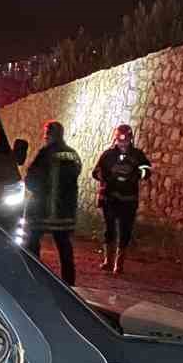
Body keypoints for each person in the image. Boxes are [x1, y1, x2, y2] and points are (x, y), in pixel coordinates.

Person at [23, 119, 83, 286]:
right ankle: (69, 284)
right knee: (64, 247)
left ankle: (33, 277)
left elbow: (31, 177)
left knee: (32, 243)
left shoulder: (45, 154)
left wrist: (37, 192)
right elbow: (76, 173)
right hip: (64, 211)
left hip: (43, 210)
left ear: (49, 135)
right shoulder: (72, 154)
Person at [91, 123, 152, 274]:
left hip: (129, 199)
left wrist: (136, 175)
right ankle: (108, 260)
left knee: (125, 230)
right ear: (116, 139)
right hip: (110, 198)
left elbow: (147, 170)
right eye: (120, 140)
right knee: (109, 229)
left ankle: (119, 264)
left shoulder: (138, 155)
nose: (123, 144)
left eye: (125, 141)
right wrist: (105, 177)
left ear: (130, 139)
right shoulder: (108, 155)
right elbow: (96, 171)